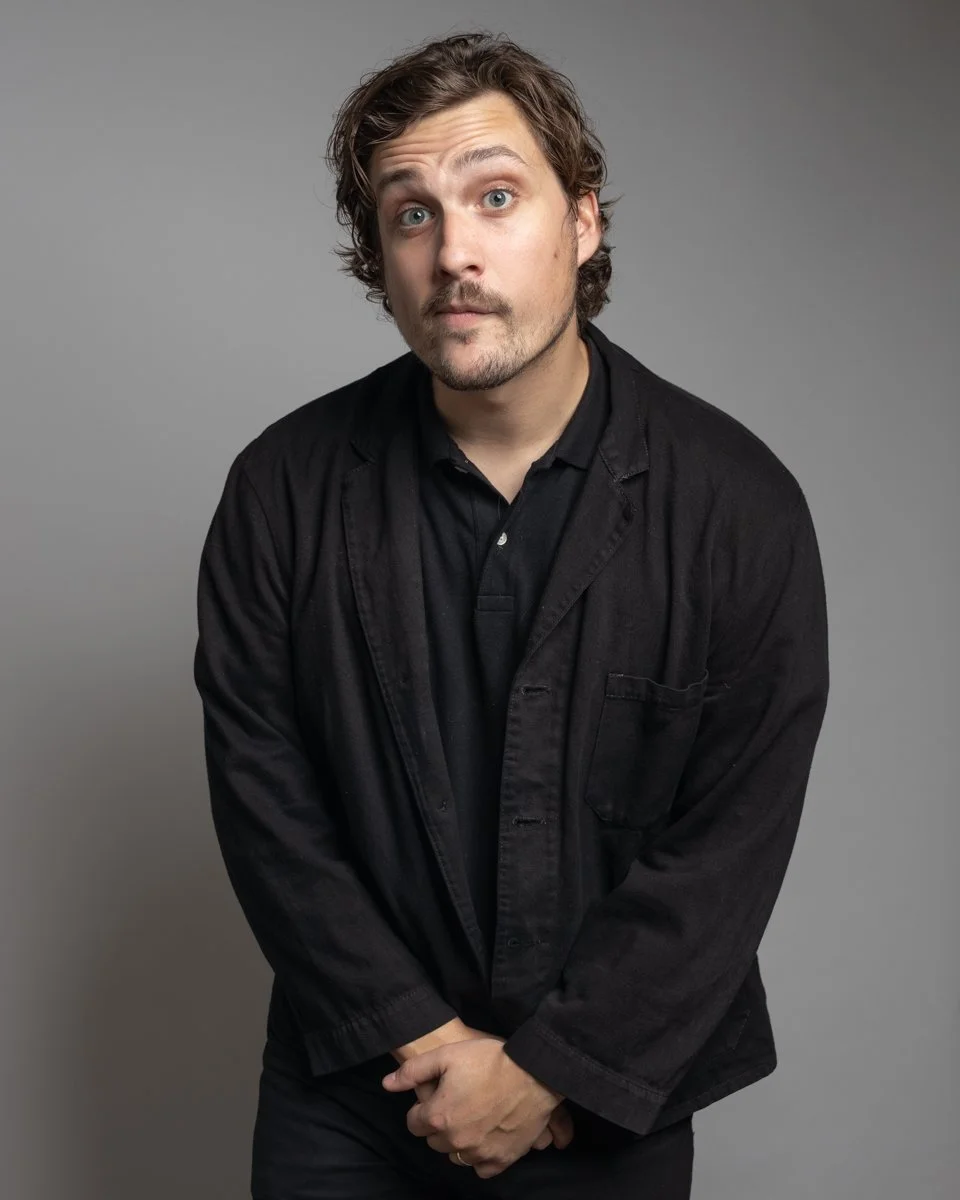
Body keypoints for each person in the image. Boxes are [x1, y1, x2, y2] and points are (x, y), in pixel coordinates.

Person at [192, 29, 829, 1200]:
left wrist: (545, 1075)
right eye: (413, 214)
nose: (455, 254)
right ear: (377, 256)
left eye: (496, 197)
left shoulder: (739, 507)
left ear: (583, 222)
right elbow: (264, 798)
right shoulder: (280, 490)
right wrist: (430, 1047)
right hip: (354, 1089)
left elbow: (727, 844)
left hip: (603, 1102)